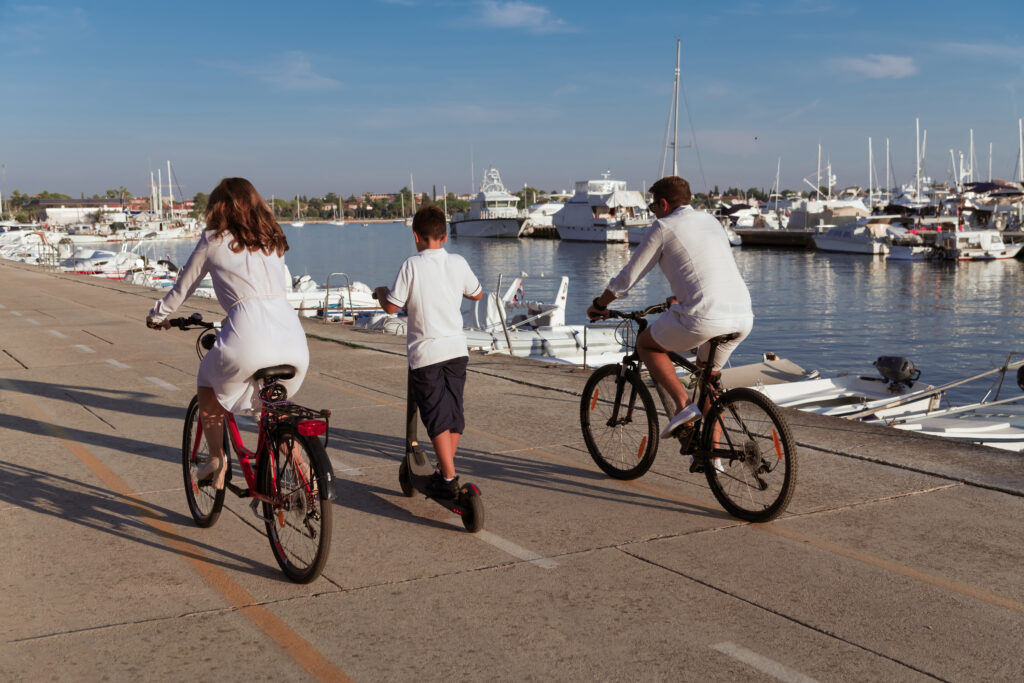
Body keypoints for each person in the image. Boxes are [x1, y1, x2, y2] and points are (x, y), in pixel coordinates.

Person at [146, 177, 309, 490]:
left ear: (217, 208)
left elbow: (183, 288)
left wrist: (158, 316)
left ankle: (217, 459)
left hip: (247, 334)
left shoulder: (214, 240)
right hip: (292, 337)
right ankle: (306, 474)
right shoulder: (272, 239)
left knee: (206, 379)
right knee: (272, 407)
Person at [588, 175, 753, 438]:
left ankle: (682, 405)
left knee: (646, 344)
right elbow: (706, 266)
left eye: (653, 207)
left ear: (663, 204)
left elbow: (627, 279)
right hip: (742, 315)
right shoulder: (710, 220)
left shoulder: (663, 227)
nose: (654, 213)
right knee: (709, 381)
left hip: (705, 316)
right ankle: (714, 460)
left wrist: (599, 304)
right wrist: (679, 298)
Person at [374, 205, 483, 499]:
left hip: (426, 353)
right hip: (457, 350)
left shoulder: (412, 265)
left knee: (435, 416)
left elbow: (392, 306)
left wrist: (381, 291)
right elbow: (477, 293)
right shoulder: (458, 262)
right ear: (445, 237)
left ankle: (448, 476)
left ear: (416, 236)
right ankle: (443, 471)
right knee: (453, 413)